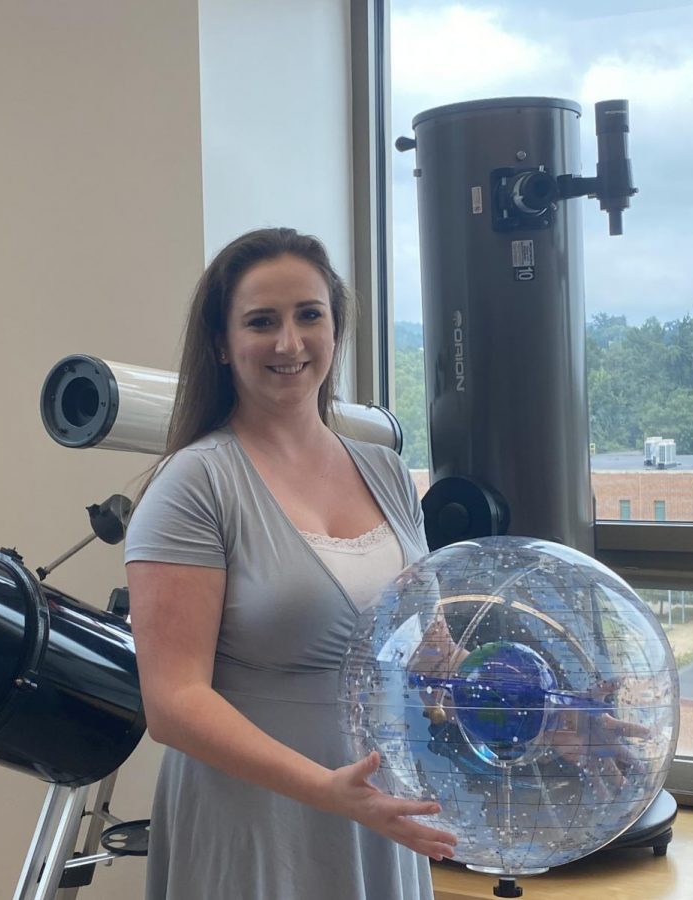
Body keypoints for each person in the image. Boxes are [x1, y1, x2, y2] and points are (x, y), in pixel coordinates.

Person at [125, 227, 458, 900]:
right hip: (255, 820)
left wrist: (558, 723)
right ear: (221, 344)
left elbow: (426, 654)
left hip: (374, 807)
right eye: (261, 322)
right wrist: (325, 790)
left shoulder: (388, 473)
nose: (289, 342)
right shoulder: (194, 486)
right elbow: (173, 704)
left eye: (309, 315)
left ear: (335, 329)